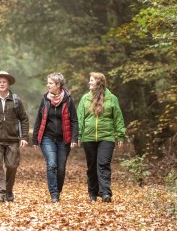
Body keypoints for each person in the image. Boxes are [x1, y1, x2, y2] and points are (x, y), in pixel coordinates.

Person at [0, 70, 30, 203]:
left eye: (4, 82)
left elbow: (24, 119)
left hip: (13, 139)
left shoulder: (16, 100)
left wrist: (24, 137)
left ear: (8, 83)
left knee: (12, 166)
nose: (2, 84)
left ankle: (8, 190)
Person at [76, 72, 126, 203]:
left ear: (99, 82)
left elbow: (118, 118)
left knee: (103, 164)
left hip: (107, 137)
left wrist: (120, 135)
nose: (89, 82)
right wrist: (78, 135)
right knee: (92, 166)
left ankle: (105, 193)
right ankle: (92, 192)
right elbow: (79, 118)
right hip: (89, 137)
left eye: (91, 80)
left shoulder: (112, 98)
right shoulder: (85, 99)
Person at [32, 72, 78, 202]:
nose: (48, 85)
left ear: (58, 85)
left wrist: (74, 138)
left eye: (50, 83)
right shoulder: (45, 99)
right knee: (52, 164)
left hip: (64, 139)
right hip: (48, 138)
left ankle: (58, 191)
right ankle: (54, 194)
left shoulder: (68, 99)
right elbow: (39, 119)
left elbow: (74, 120)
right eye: (48, 83)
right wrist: (35, 138)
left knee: (61, 167)